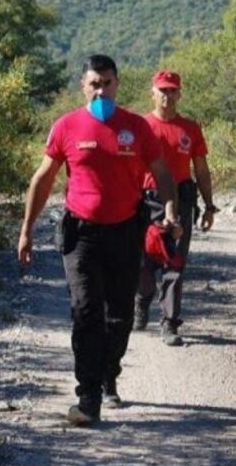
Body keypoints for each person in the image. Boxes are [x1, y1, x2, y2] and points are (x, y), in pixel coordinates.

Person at [17, 55, 180, 427]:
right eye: (94, 83)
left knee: (119, 316)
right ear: (83, 85)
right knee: (86, 311)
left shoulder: (137, 128)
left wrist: (170, 210)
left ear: (117, 84)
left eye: (107, 83)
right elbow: (42, 180)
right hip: (82, 234)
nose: (100, 90)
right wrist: (27, 229)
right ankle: (88, 396)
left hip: (125, 231)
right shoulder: (67, 126)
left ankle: (109, 374)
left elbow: (162, 173)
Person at [134, 70, 217, 347]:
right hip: (146, 199)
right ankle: (141, 301)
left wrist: (209, 205)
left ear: (179, 94)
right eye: (162, 90)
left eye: (172, 91)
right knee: (144, 261)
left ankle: (170, 322)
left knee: (175, 261)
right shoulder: (140, 126)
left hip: (181, 198)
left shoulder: (190, 129)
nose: (167, 96)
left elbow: (201, 169)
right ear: (153, 93)